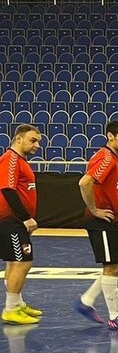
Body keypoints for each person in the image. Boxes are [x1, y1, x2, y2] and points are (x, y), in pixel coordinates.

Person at [76, 120, 118, 330]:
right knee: (111, 267)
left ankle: (87, 300)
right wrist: (95, 210)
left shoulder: (113, 157)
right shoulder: (106, 157)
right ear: (110, 136)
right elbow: (84, 182)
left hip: (112, 222)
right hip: (102, 221)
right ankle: (115, 316)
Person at [1, 125, 43, 325]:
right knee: (22, 262)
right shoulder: (11, 159)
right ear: (18, 139)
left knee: (13, 261)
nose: (37, 145)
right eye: (33, 140)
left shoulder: (20, 161)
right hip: (12, 221)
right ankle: (10, 309)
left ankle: (17, 303)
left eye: (38, 142)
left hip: (14, 222)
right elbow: (7, 189)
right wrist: (26, 218)